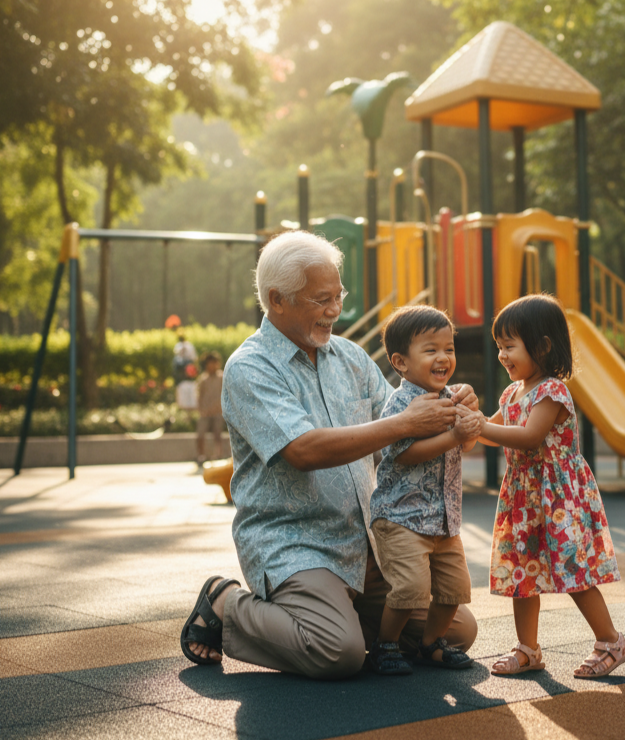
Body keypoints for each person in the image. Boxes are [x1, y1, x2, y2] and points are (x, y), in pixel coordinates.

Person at [179, 231, 478, 679]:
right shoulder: (250, 367)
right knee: (335, 652)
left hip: (370, 540)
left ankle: (348, 620)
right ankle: (225, 603)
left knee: (456, 630)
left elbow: (402, 425)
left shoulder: (351, 358)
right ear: (277, 300)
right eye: (322, 299)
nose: (335, 309)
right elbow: (303, 449)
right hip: (299, 543)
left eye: (338, 295)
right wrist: (406, 423)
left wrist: (454, 406)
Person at [476, 294, 625, 679]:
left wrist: (477, 426)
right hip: (523, 496)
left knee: (574, 573)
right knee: (521, 575)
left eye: (510, 345)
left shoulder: (552, 391)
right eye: (499, 347)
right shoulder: (513, 393)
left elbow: (528, 436)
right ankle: (528, 649)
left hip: (558, 497)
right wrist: (463, 419)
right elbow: (492, 431)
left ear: (543, 346)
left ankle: (611, 641)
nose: (502, 355)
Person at [366, 306, 482, 676]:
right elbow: (401, 454)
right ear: (400, 362)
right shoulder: (401, 404)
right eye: (430, 350)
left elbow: (463, 446)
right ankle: (385, 645)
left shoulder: (450, 396)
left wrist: (468, 431)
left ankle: (431, 644)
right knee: (410, 588)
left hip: (443, 520)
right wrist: (454, 436)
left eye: (448, 348)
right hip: (401, 518)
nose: (443, 357)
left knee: (455, 589)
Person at [195, 351, 225, 467]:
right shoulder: (203, 379)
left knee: (218, 435)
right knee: (200, 435)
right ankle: (201, 455)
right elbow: (199, 395)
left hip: (218, 411)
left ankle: (218, 455)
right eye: (209, 363)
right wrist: (200, 409)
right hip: (205, 413)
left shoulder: (222, 377)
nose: (212, 366)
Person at [173, 332, 199, 412]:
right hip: (182, 381)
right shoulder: (177, 351)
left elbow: (194, 361)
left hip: (190, 381)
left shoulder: (189, 347)